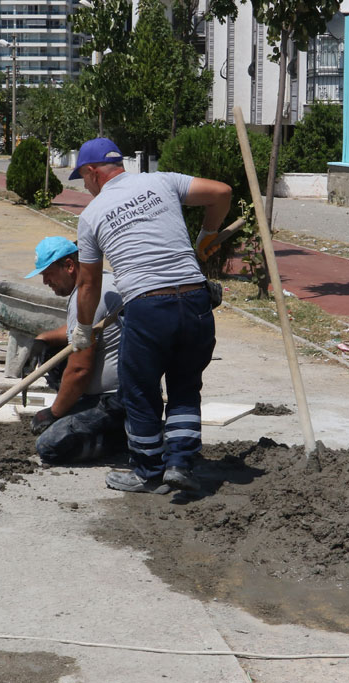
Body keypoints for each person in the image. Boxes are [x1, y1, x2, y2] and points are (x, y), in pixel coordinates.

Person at [69, 137, 232, 494]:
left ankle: (148, 471)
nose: (85, 187)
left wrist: (82, 330)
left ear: (92, 172)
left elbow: (87, 284)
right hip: (195, 300)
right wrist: (208, 234)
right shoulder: (161, 181)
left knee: (140, 391)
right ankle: (180, 463)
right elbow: (221, 192)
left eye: (82, 179)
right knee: (185, 386)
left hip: (148, 307)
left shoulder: (91, 216)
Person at [23, 236, 127, 465]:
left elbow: (80, 369)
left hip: (116, 400)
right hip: (130, 393)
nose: (45, 281)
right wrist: (43, 339)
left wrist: (54, 413)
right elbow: (79, 331)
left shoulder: (87, 296)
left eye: (48, 273)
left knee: (50, 446)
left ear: (69, 266)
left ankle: (126, 441)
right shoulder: (102, 280)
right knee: (52, 352)